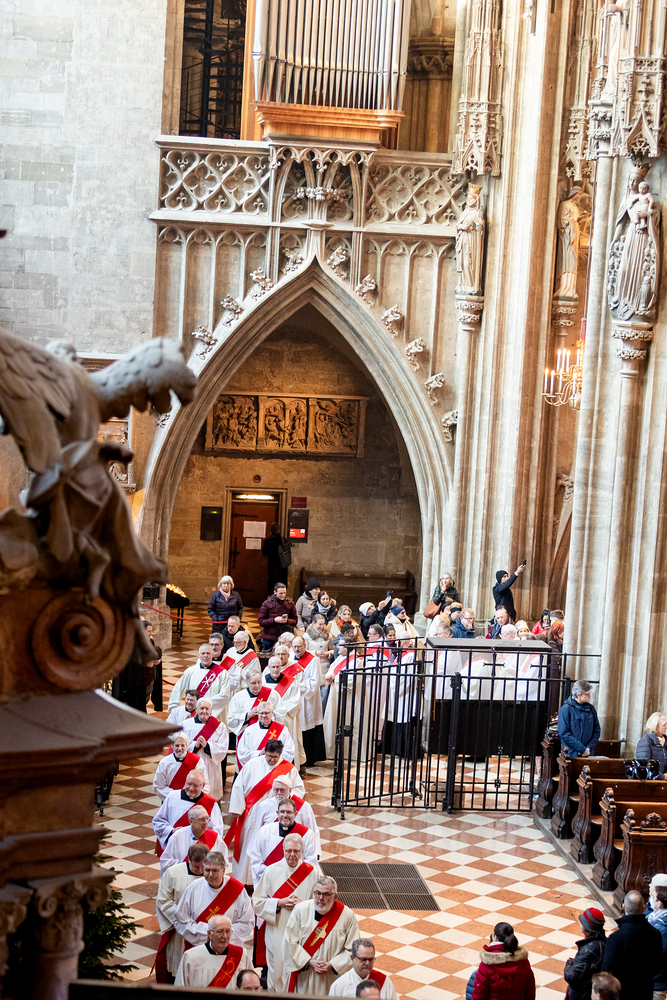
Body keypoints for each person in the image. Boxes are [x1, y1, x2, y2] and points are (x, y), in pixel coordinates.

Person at [226, 740, 305, 885]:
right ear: (264, 752)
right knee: (249, 845)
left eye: (275, 757)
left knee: (270, 844)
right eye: (269, 756)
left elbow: (299, 789)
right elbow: (238, 785)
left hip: (276, 815)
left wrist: (286, 802)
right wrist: (237, 808)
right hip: (252, 813)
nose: (272, 760)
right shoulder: (252, 764)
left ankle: (270, 880)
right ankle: (245, 880)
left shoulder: (288, 768)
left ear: (280, 754)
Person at [253, 833, 321, 990]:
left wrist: (303, 905)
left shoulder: (312, 873)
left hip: (301, 933)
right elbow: (257, 903)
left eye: (296, 851)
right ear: (283, 850)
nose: (292, 855)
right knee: (277, 974)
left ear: (302, 851)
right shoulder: (271, 871)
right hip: (277, 932)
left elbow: (320, 905)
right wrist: (279, 903)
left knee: (299, 975)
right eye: (288, 851)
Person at [282, 875, 359, 995]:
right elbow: (289, 941)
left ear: (335, 896)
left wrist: (332, 965)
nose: (320, 898)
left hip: (331, 977)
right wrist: (309, 961)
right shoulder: (300, 910)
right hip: (305, 975)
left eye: (326, 894)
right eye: (317, 893)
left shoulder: (347, 916)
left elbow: (353, 950)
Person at [175, 851, 253, 950]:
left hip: (228, 947)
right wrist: (205, 932)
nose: (210, 874)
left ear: (223, 871)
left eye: (215, 871)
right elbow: (180, 919)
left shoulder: (237, 890)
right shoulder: (194, 888)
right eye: (207, 870)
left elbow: (247, 922)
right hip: (199, 948)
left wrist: (221, 935)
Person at [155, 842, 208, 983]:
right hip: (180, 928)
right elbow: (163, 900)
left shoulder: (212, 875)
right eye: (196, 866)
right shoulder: (173, 873)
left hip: (203, 927)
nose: (200, 870)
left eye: (203, 866)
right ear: (188, 859)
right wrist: (182, 918)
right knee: (178, 963)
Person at [602, 889, 662, 998]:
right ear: (644, 909)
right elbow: (657, 966)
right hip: (645, 991)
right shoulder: (655, 934)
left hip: (621, 992)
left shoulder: (616, 937)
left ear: (623, 907)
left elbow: (606, 969)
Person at [153, 769, 224, 856]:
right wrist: (172, 831)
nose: (191, 788)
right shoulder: (172, 796)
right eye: (189, 784)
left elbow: (217, 833)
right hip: (174, 847)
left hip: (198, 852)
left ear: (203, 785)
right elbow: (158, 821)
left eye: (195, 785)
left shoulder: (211, 804)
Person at [174, 913, 253, 987]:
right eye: (220, 931)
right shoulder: (191, 956)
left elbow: (252, 984)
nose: (225, 936)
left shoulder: (242, 954)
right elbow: (180, 988)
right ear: (209, 934)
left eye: (228, 931)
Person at [249, 801, 318, 885]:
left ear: (295, 814)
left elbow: (310, 861)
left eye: (289, 812)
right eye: (282, 812)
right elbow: (256, 857)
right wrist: (270, 876)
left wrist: (290, 879)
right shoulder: (265, 830)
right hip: (268, 881)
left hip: (294, 883)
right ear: (277, 813)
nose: (285, 815)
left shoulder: (307, 834)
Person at [254, 775, 321, 856]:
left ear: (290, 790)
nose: (279, 793)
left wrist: (316, 852)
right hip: (271, 852)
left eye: (282, 790)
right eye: (276, 790)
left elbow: (312, 830)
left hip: (295, 853)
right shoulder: (264, 806)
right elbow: (257, 831)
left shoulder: (304, 807)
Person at [167, 643, 231, 727]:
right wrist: (174, 707)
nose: (205, 656)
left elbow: (225, 695)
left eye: (208, 653)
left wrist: (204, 705)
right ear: (199, 655)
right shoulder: (190, 671)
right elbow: (178, 688)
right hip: (193, 715)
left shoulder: (222, 673)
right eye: (203, 653)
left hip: (214, 714)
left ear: (212, 654)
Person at [470, 921, 535, 999]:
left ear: (495, 938)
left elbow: (479, 994)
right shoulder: (523, 962)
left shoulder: (487, 964)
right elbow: (530, 991)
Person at [159, 804, 229, 875]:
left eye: (207, 818)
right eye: (201, 819)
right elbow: (165, 861)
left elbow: (224, 863)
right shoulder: (177, 836)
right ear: (191, 821)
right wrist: (189, 867)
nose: (205, 822)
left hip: (207, 878)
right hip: (183, 876)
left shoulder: (215, 838)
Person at [264, 653, 305, 768]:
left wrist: (277, 712)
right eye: (273, 667)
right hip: (267, 719)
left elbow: (295, 701)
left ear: (281, 667)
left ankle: (286, 768)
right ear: (268, 667)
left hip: (284, 719)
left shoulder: (291, 682)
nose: (275, 669)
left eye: (278, 667)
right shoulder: (263, 681)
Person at [182, 697, 229, 800]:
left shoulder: (220, 726)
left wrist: (207, 746)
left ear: (211, 710)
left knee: (210, 796)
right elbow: (180, 746)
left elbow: (223, 748)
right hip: (192, 764)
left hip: (211, 766)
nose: (204, 711)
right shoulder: (186, 724)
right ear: (196, 709)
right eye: (202, 708)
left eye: (207, 709)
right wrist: (194, 745)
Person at [291, 635, 326, 769]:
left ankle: (310, 758)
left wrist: (299, 689)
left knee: (309, 727)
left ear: (305, 646)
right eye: (294, 646)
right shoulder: (290, 659)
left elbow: (315, 681)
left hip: (308, 699)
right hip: (294, 698)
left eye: (299, 646)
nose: (297, 649)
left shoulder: (313, 660)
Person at [329, 938, 398, 998]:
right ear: (352, 958)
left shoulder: (384, 981)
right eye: (363, 959)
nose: (367, 963)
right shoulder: (339, 986)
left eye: (371, 959)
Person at [563, 906, 607, 1000]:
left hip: (582, 995)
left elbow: (571, 976)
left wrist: (569, 964)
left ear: (587, 928)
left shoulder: (589, 950)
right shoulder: (604, 942)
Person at [236, 702, 296, 769]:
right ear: (258, 714)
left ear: (272, 713)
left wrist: (273, 757)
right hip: (256, 767)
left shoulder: (282, 730)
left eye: (266, 713)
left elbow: (289, 751)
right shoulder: (249, 730)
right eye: (261, 713)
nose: (264, 716)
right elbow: (242, 752)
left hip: (276, 768)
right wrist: (259, 754)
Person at [227, 671, 280, 738]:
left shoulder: (272, 694)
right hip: (247, 735)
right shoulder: (238, 697)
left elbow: (280, 712)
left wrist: (268, 715)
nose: (257, 685)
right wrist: (247, 715)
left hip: (268, 733)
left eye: (259, 682)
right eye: (254, 683)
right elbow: (230, 719)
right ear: (247, 683)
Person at [153, 733, 204, 801]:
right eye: (177, 745)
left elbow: (204, 784)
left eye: (182, 745)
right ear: (172, 746)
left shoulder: (197, 761)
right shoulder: (164, 763)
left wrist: (191, 797)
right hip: (171, 800)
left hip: (191, 801)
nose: (179, 748)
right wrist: (177, 796)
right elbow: (158, 786)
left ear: (187, 745)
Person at [558, 679, 601, 758]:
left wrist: (588, 748)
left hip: (588, 753)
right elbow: (564, 733)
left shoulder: (591, 709)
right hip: (571, 753)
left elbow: (597, 730)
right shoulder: (565, 709)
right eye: (587, 694)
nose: (589, 696)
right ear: (578, 695)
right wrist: (582, 749)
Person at [259, 582, 298, 650]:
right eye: (280, 593)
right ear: (275, 592)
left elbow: (295, 621)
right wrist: (274, 620)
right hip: (270, 638)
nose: (283, 595)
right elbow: (261, 621)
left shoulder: (290, 604)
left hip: (286, 638)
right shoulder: (266, 604)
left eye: (284, 593)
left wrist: (287, 621)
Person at [646, 879, 667, 999]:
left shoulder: (662, 928)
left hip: (657, 983)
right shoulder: (653, 917)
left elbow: (655, 956)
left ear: (659, 904)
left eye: (653, 897)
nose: (651, 899)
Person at [263, 522, 287, 592]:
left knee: (272, 584)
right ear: (279, 530)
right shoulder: (283, 540)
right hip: (282, 566)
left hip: (273, 565)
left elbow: (264, 552)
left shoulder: (268, 541)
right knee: (282, 583)